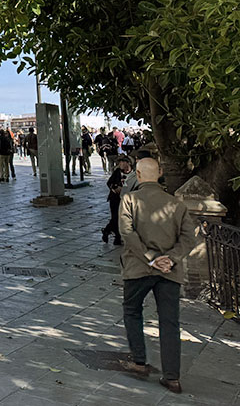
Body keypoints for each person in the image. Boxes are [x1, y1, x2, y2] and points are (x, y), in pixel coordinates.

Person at [118, 158, 189, 394]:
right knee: (170, 322)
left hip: (138, 268)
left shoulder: (129, 200)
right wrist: (171, 259)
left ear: (137, 175)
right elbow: (188, 238)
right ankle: (172, 377)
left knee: (132, 310)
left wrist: (151, 258)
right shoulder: (176, 204)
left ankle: (139, 361)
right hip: (169, 271)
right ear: (160, 173)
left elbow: (127, 233)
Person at [102, 156, 132, 245]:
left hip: (127, 198)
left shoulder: (133, 174)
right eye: (120, 162)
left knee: (122, 217)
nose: (121, 164)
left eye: (123, 162)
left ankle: (107, 230)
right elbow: (109, 183)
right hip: (115, 198)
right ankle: (117, 238)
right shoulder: (117, 172)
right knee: (116, 217)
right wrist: (115, 188)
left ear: (128, 163)